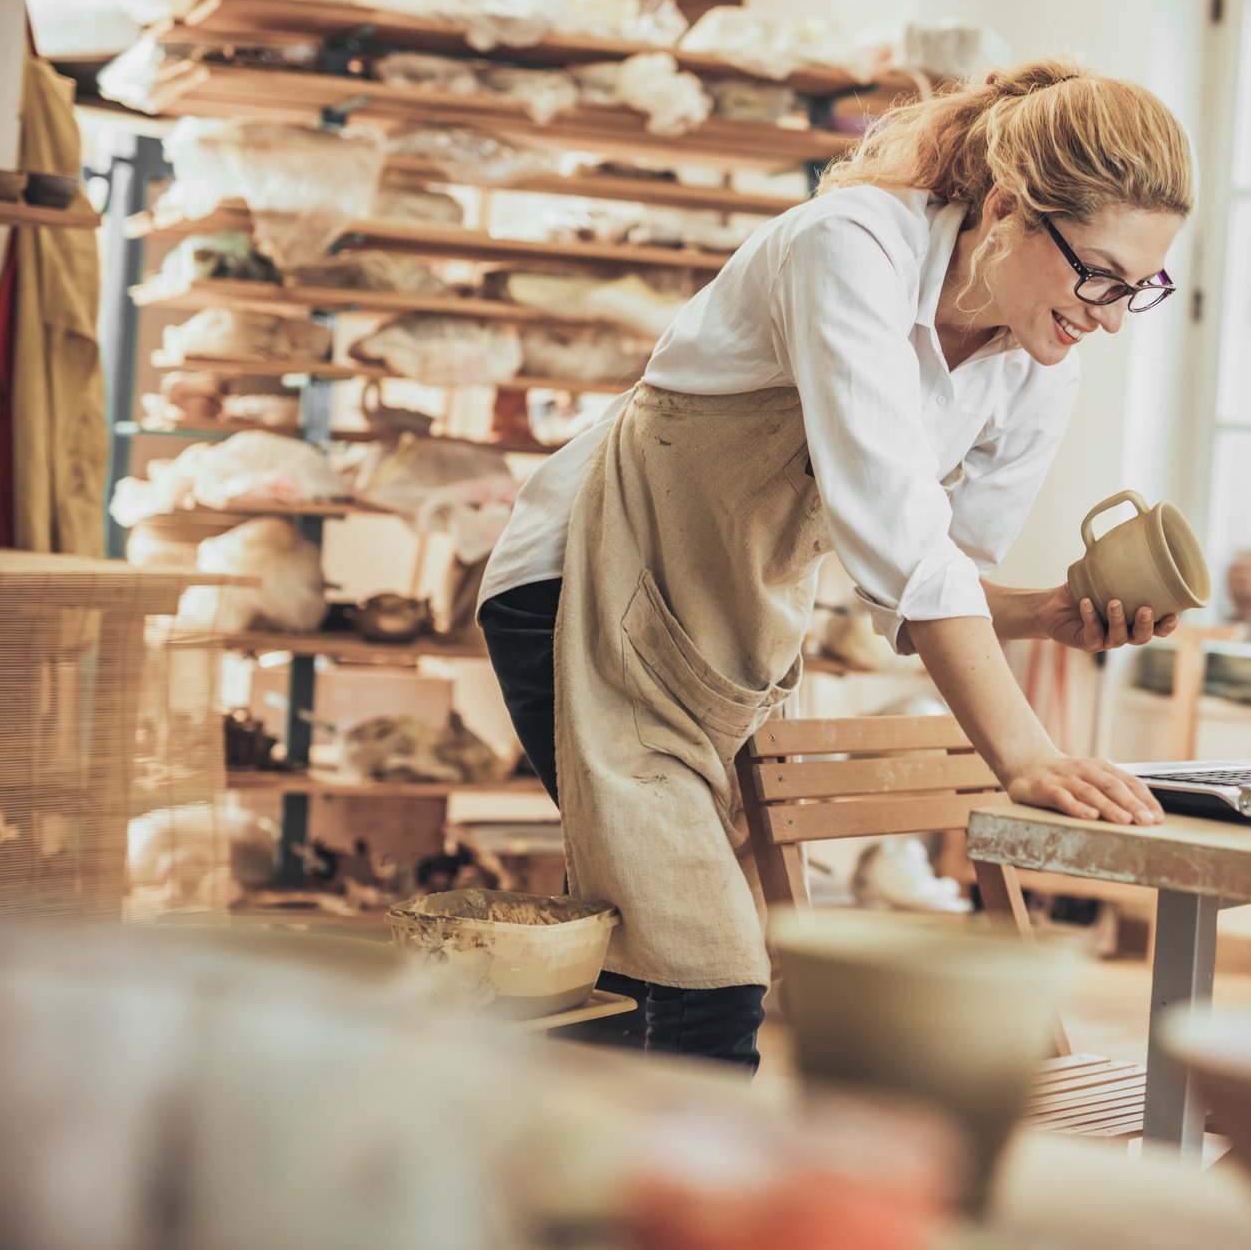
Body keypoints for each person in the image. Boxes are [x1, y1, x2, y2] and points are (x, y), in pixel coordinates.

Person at [478, 56, 1194, 1070]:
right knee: (698, 972)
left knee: (657, 966)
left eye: (1141, 287)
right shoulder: (850, 245)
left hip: (722, 642)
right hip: (580, 594)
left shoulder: (1039, 368)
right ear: (1005, 209)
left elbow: (922, 589)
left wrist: (1048, 613)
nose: (1111, 315)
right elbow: (904, 547)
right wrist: (1027, 754)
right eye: (1101, 274)